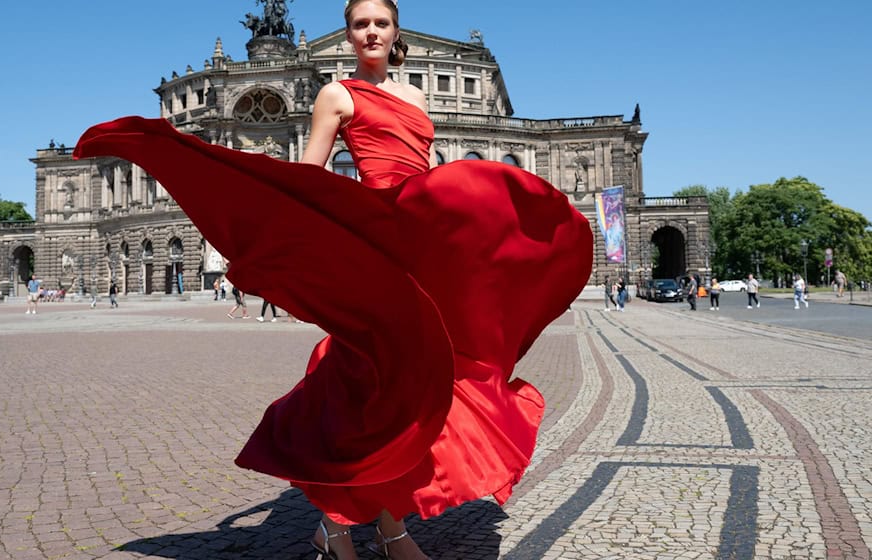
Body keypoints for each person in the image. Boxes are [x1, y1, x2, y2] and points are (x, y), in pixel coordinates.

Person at [73, 1, 592, 557]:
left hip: (415, 241)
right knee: (377, 384)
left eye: (381, 24)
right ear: (347, 36)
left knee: (419, 383)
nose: (371, 32)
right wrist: (284, 247)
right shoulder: (335, 95)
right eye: (360, 24)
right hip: (371, 241)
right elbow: (308, 178)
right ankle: (355, 526)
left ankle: (371, 527)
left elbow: (425, 172)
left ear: (395, 34)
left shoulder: (417, 98)